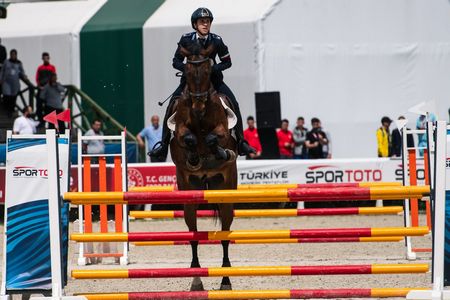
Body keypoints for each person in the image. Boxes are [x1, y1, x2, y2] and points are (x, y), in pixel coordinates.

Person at [149, 7, 255, 161]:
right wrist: (187, 69)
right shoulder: (186, 39)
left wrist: (212, 69)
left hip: (214, 81)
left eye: (207, 21)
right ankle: (164, 145)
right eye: (202, 22)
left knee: (234, 103)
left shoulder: (216, 41)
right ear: (195, 24)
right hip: (190, 82)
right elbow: (176, 61)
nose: (205, 24)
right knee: (171, 104)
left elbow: (227, 62)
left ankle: (241, 142)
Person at [0, 49, 32, 116]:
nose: (13, 56)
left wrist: (24, 76)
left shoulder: (19, 63)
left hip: (14, 83)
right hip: (6, 82)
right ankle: (6, 109)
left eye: (14, 54)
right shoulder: (6, 62)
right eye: (12, 54)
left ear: (16, 55)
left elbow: (22, 71)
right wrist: (1, 79)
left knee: (13, 96)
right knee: (6, 95)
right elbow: (2, 71)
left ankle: (11, 109)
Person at [35, 52, 56, 124]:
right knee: (39, 106)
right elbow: (37, 78)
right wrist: (39, 86)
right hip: (41, 89)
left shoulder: (52, 67)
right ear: (42, 59)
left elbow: (53, 78)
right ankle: (41, 120)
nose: (46, 60)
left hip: (49, 91)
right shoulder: (40, 68)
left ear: (49, 58)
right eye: (44, 58)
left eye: (47, 58)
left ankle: (48, 121)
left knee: (49, 106)